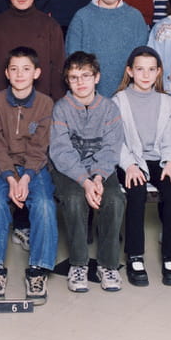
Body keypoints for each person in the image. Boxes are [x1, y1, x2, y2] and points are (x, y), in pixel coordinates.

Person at [0, 47, 57, 304]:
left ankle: (38, 269)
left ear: (36, 73)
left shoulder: (45, 103)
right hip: (1, 166)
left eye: (26, 69)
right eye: (14, 69)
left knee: (45, 205)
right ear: (6, 73)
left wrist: (25, 178)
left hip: (34, 167)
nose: (19, 74)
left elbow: (40, 147)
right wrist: (11, 178)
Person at [50, 51, 125, 293]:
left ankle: (108, 264)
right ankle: (78, 263)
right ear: (67, 81)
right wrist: (85, 182)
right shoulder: (61, 108)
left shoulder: (109, 108)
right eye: (74, 77)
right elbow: (61, 152)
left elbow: (111, 148)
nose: (80, 82)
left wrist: (99, 177)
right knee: (74, 199)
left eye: (86, 76)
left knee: (114, 199)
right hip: (70, 171)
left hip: (101, 169)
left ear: (97, 77)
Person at [112, 46, 171, 287]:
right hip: (131, 159)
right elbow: (116, 141)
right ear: (130, 71)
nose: (145, 75)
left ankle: (170, 256)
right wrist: (129, 166)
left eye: (151, 70)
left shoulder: (167, 101)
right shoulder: (118, 101)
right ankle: (134, 255)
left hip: (158, 159)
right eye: (140, 69)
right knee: (137, 190)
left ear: (158, 72)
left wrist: (170, 164)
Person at [66, 0, 149, 97]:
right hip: (89, 97)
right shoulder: (82, 17)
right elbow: (72, 61)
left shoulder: (135, 18)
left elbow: (142, 62)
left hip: (128, 97)